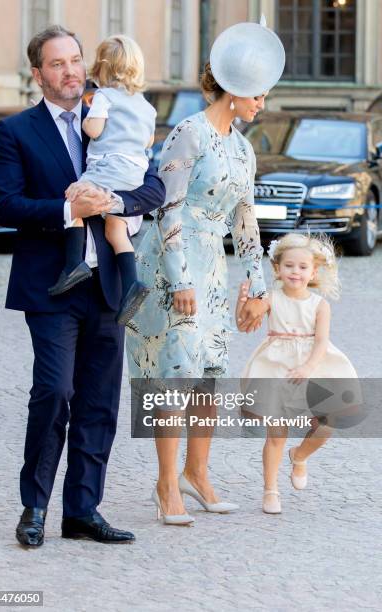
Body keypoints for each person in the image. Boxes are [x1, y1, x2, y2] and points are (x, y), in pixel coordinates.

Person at [0, 25, 165, 546]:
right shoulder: (16, 131)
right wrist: (69, 208)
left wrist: (118, 204)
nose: (70, 70)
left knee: (99, 400)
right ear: (38, 74)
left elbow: (151, 184)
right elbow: (6, 204)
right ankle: (35, 506)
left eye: (75, 60)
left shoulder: (117, 111)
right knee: (55, 391)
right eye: (58, 63)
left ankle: (83, 509)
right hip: (52, 286)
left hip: (109, 285)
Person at [126, 20, 285, 525]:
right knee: (176, 374)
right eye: (257, 94)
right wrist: (181, 280)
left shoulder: (243, 148)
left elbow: (245, 221)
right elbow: (165, 209)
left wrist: (259, 288)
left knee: (209, 377)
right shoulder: (187, 133)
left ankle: (198, 473)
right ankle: (166, 485)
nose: (262, 102)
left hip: (213, 267)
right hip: (174, 265)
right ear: (234, 90)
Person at [241, 233, 358, 514]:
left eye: (303, 267)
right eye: (289, 266)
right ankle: (270, 490)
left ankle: (300, 455)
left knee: (326, 424)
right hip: (277, 366)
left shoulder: (320, 305)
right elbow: (244, 320)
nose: (296, 272)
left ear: (314, 271)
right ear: (278, 269)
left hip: (311, 365)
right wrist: (243, 301)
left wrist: (307, 367)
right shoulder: (271, 298)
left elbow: (321, 342)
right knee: (276, 433)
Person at [49, 35, 156, 325]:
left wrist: (86, 123)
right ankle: (132, 284)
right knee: (115, 229)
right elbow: (148, 140)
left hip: (108, 168)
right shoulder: (146, 106)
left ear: (103, 67)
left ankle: (74, 263)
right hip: (133, 173)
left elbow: (95, 130)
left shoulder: (105, 97)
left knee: (72, 200)